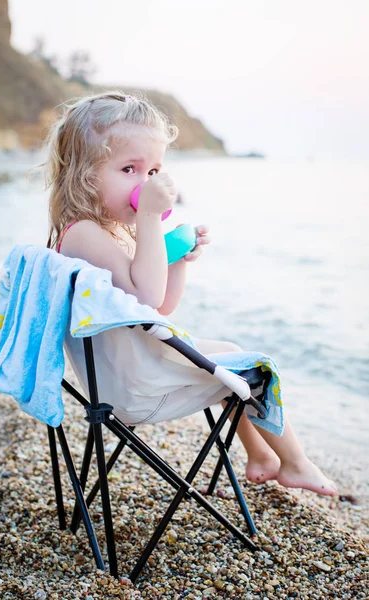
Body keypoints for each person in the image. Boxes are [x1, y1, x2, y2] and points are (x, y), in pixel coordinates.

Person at [44, 91, 337, 497]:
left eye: (153, 171)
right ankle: (295, 463)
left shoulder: (105, 232)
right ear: (83, 173)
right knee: (254, 371)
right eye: (130, 168)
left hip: (131, 370)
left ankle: (263, 456)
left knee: (228, 353)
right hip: (136, 387)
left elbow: (160, 306)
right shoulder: (84, 234)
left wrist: (176, 259)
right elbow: (147, 299)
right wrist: (148, 217)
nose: (145, 183)